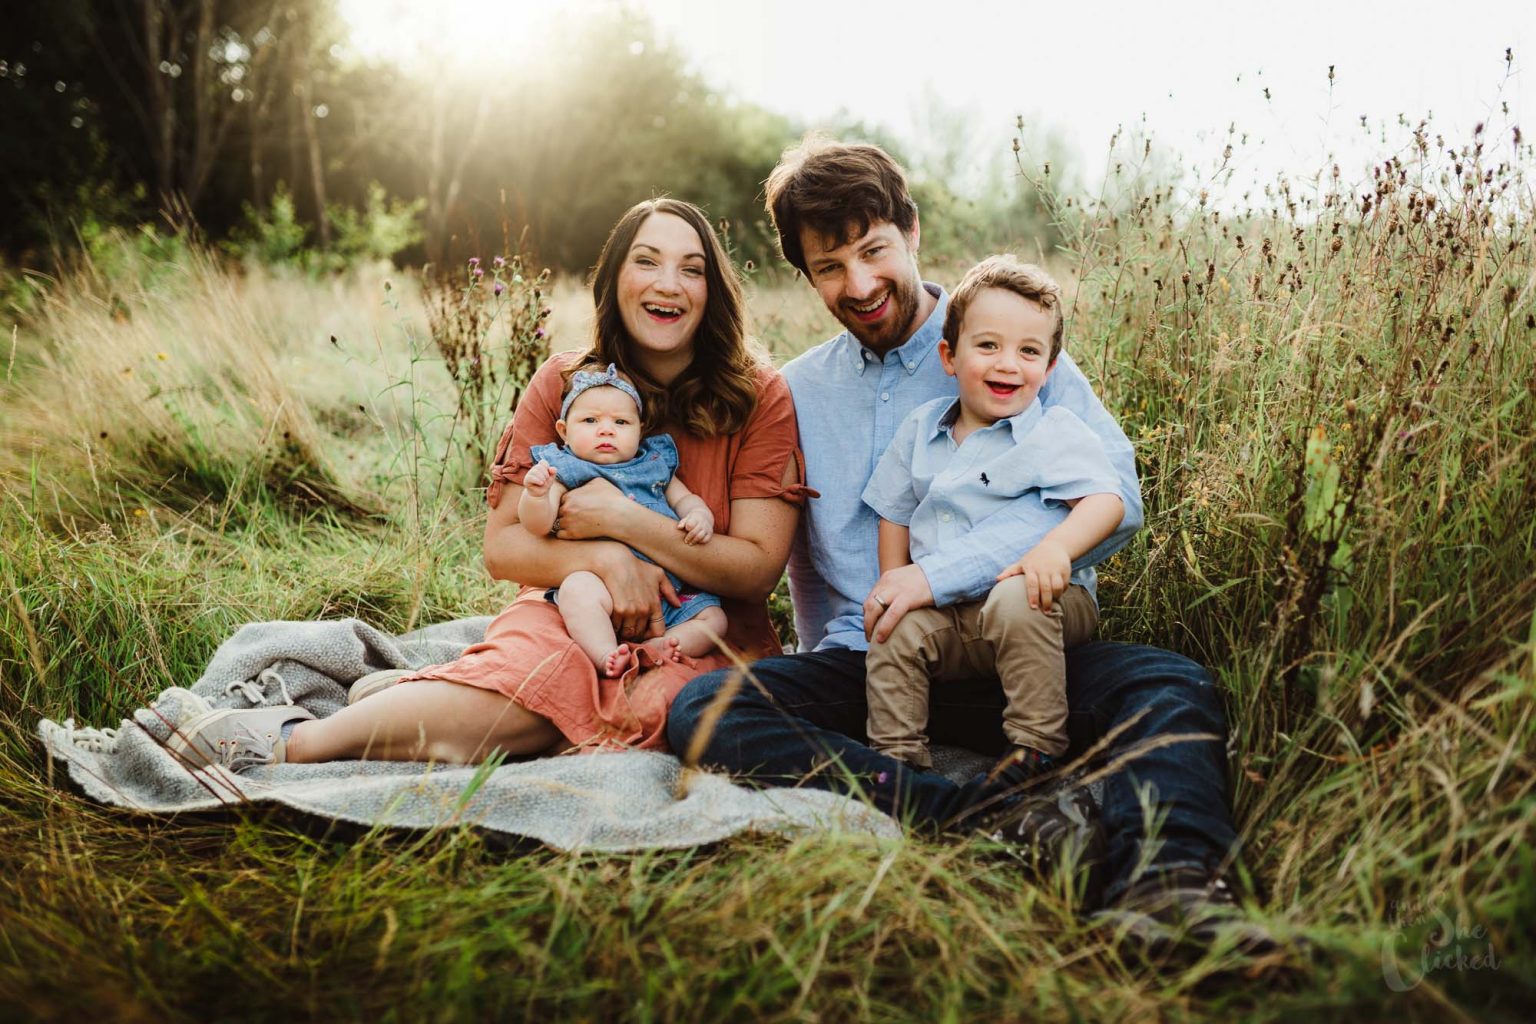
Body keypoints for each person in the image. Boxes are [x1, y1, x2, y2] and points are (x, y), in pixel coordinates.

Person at [668, 137, 1249, 934]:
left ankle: (1173, 886)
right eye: (829, 266)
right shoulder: (793, 391)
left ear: (911, 232)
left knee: (1169, 685)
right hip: (876, 660)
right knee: (709, 710)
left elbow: (1115, 494)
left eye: (873, 250)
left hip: (1028, 647)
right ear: (805, 276)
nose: (860, 283)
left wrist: (942, 577)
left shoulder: (999, 338)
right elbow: (737, 531)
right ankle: (989, 814)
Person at [167, 197, 808, 771]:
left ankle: (428, 699)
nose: (669, 284)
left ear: (712, 289)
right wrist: (606, 558)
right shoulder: (563, 383)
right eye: (647, 261)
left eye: (692, 268)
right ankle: (294, 739)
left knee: (651, 708)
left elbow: (755, 571)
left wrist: (624, 520)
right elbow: (503, 549)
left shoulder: (758, 396)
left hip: (698, 633)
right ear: (614, 280)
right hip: (572, 606)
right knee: (543, 683)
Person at [861, 254, 1126, 776]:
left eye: (1029, 351)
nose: (1008, 364)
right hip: (953, 618)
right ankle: (897, 761)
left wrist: (1056, 548)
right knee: (895, 630)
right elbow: (893, 510)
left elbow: (1107, 501)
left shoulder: (1053, 432)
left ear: (1049, 369)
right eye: (988, 345)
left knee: (1014, 596)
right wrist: (893, 581)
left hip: (1046, 603)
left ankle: (1036, 746)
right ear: (949, 356)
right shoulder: (920, 430)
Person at [519, 361, 728, 677]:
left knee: (714, 619)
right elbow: (539, 524)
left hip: (668, 596)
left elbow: (683, 498)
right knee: (576, 590)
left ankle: (663, 646)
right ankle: (606, 655)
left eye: (621, 421)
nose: (606, 430)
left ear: (640, 429)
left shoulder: (654, 464)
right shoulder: (566, 468)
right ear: (564, 430)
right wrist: (535, 496)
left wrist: (699, 515)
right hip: (601, 589)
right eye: (590, 420)